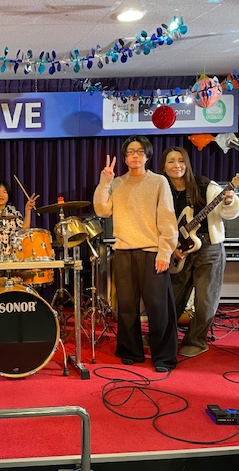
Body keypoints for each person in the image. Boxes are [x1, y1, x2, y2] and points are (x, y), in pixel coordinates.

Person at [93, 135, 179, 373]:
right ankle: (130, 351)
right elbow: (102, 210)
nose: (135, 155)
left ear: (147, 155)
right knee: (127, 306)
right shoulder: (117, 183)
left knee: (158, 307)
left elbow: (168, 219)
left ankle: (164, 357)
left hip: (152, 252)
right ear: (125, 157)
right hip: (124, 251)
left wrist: (165, 252)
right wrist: (104, 182)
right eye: (130, 152)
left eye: (140, 151)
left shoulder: (159, 182)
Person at [160, 146, 239, 357]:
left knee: (205, 300)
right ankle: (162, 337)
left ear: (187, 164)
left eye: (181, 160)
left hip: (209, 247)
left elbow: (228, 212)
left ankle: (196, 341)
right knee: (172, 298)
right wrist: (171, 247)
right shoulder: (161, 189)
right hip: (179, 250)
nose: (176, 165)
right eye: (171, 161)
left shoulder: (204, 185)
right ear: (163, 166)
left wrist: (229, 201)